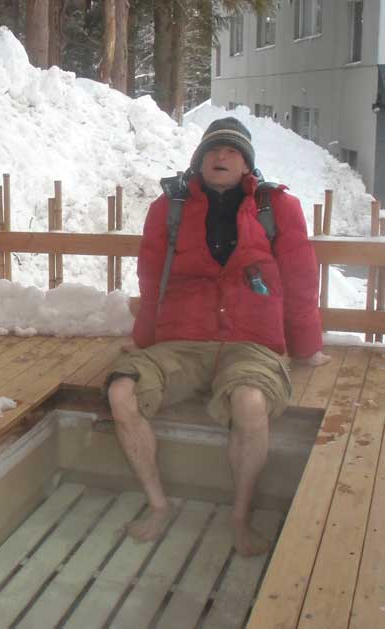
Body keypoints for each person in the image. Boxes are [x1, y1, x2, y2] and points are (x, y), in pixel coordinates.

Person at [105, 117, 331, 556]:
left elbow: (301, 280)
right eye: (212, 150)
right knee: (120, 393)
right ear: (199, 161)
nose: (220, 156)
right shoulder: (168, 209)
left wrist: (306, 346)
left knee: (250, 401)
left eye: (231, 151)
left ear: (247, 164)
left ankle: (239, 516)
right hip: (180, 342)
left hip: (251, 341)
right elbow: (152, 280)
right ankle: (158, 504)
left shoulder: (276, 208)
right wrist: (145, 339)